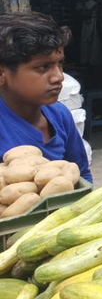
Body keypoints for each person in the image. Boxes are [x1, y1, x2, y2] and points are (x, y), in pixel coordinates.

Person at [0, 12, 92, 182]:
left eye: (60, 64)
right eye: (43, 67)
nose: (59, 77)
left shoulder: (60, 115)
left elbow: (82, 175)